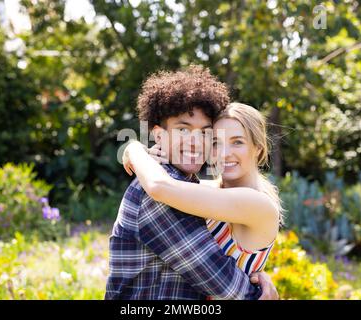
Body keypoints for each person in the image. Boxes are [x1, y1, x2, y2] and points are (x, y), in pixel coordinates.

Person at [105, 66, 278, 300]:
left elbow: (162, 186)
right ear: (159, 135)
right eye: (216, 141)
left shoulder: (246, 200)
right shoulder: (184, 191)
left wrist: (134, 149)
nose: (223, 153)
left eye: (237, 142)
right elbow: (228, 287)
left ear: (258, 149)